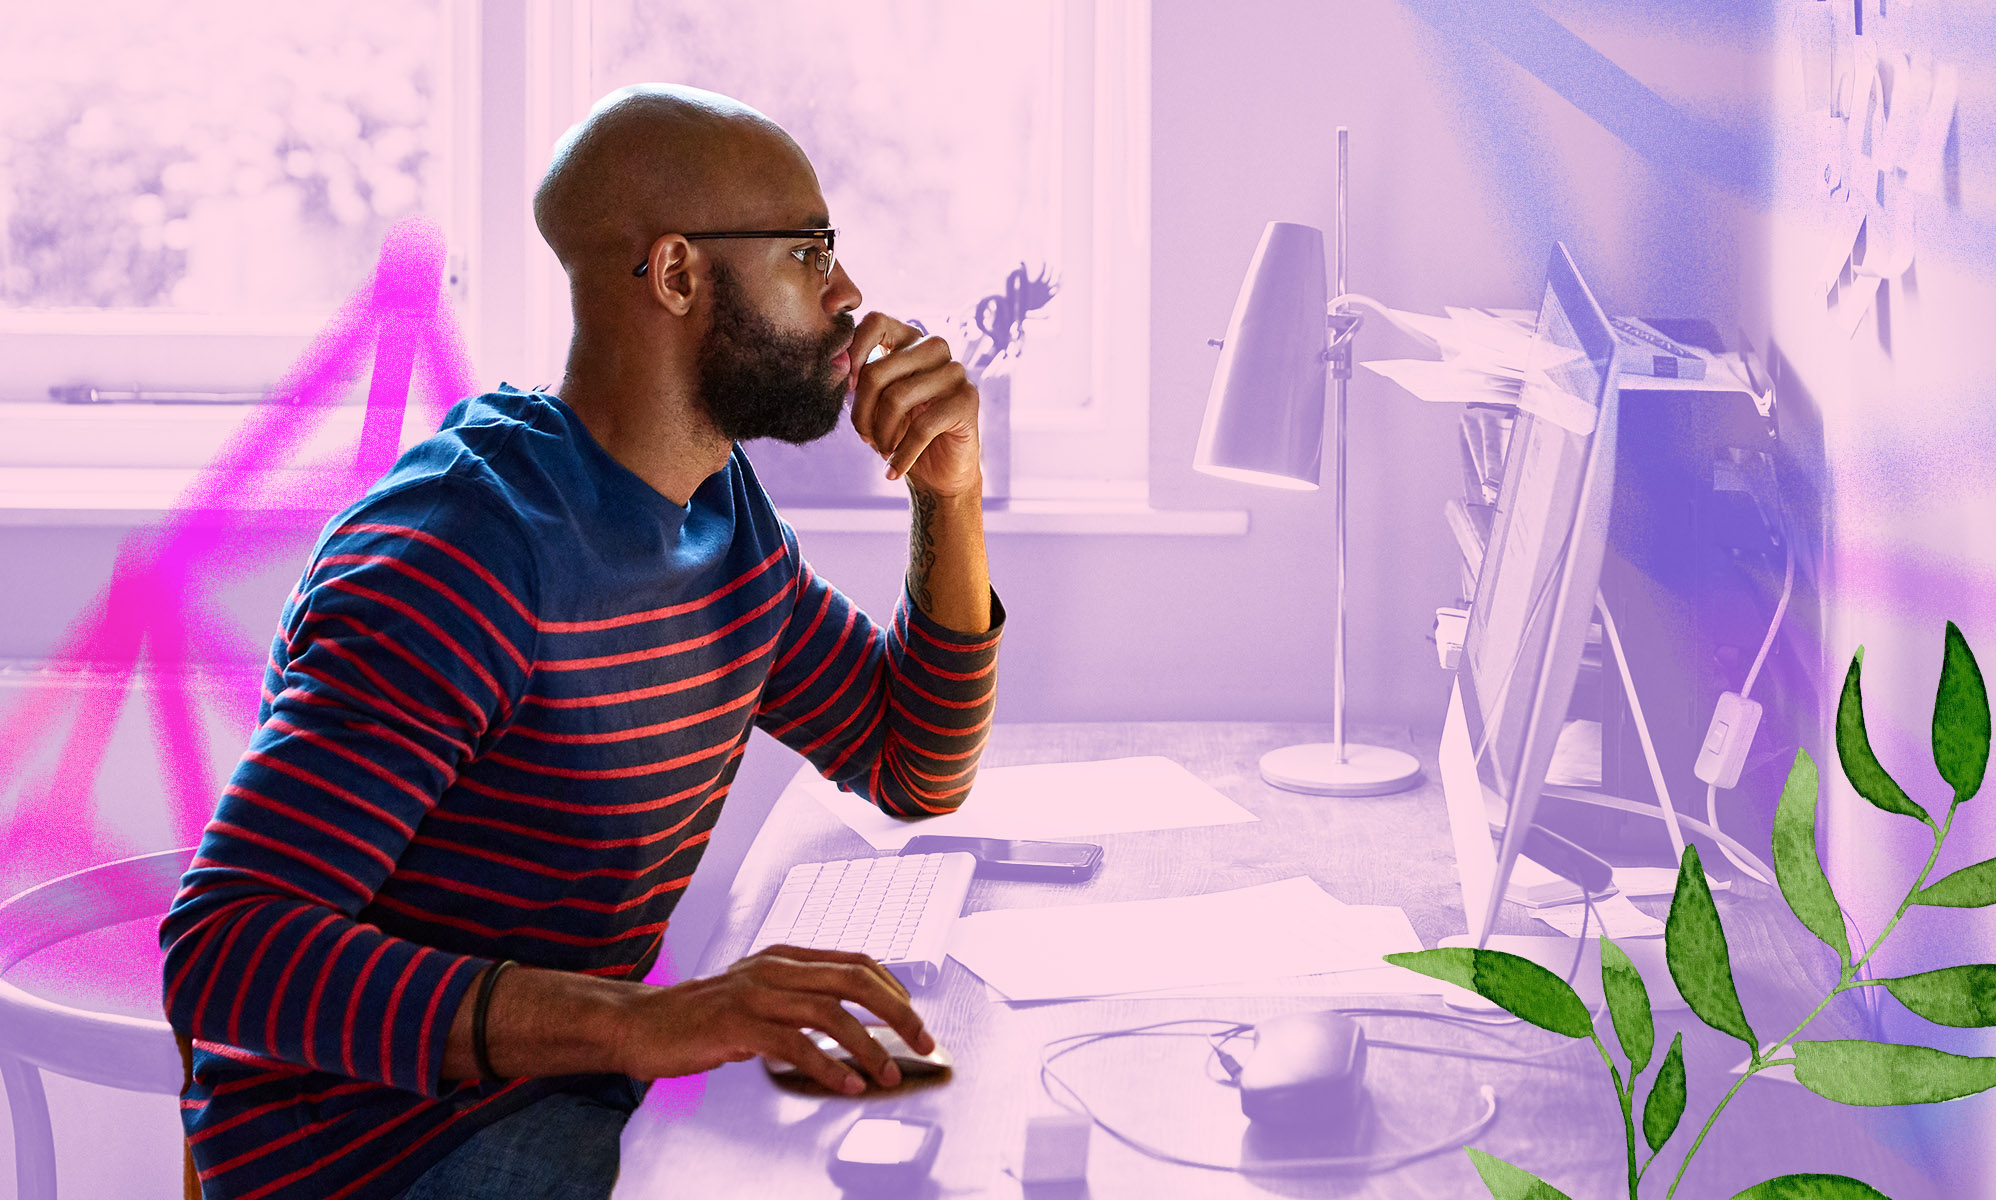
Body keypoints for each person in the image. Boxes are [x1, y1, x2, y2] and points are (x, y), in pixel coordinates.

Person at [159, 83, 1003, 1200]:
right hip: (386, 1150)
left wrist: (951, 491)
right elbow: (225, 951)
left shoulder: (720, 515)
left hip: (567, 1092)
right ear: (676, 275)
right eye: (808, 252)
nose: (847, 295)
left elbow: (912, 764)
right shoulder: (462, 555)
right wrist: (644, 1021)